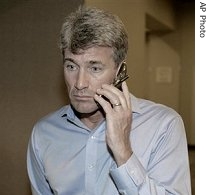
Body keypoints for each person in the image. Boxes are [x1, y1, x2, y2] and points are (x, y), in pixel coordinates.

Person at [27, 6, 191, 195]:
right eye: (71, 66)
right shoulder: (43, 133)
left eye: (94, 68)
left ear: (120, 71)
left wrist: (123, 151)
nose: (79, 83)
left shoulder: (164, 125)